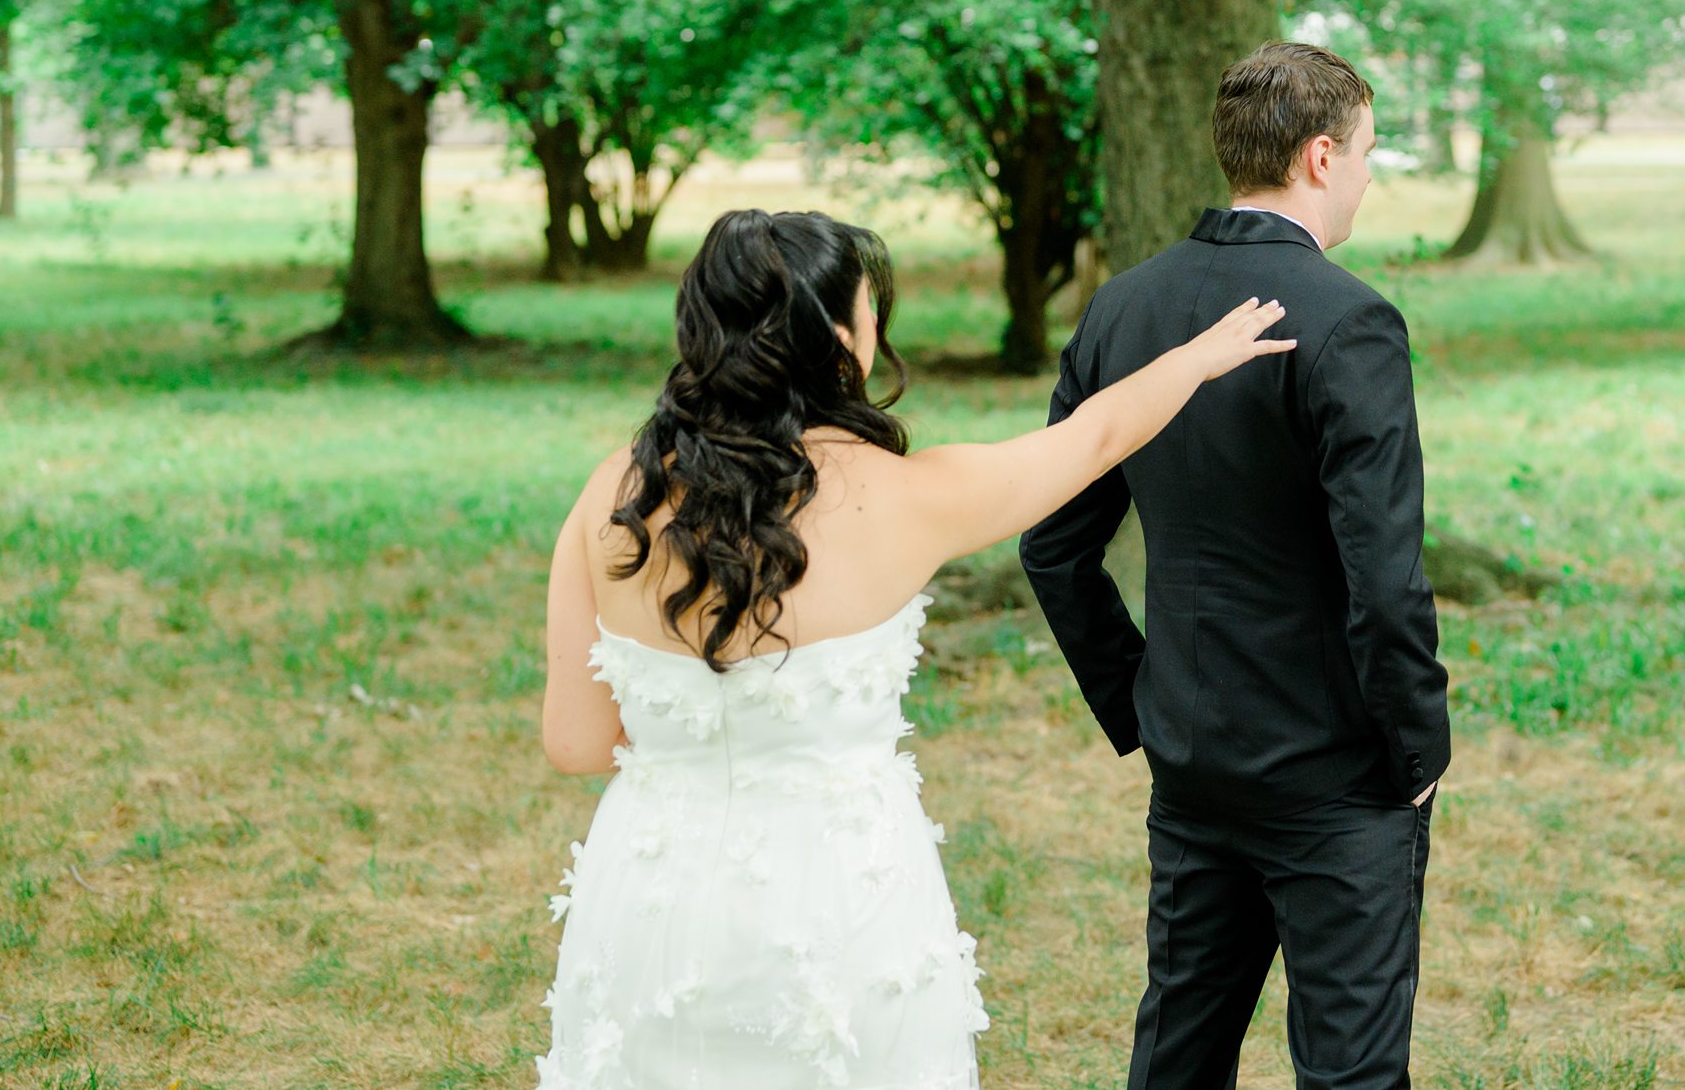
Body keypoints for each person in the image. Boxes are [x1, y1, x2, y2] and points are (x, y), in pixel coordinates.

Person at [535, 206, 1297, 1089]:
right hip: (842, 898)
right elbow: (1091, 438)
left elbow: (576, 743)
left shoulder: (609, 499)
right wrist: (1197, 357)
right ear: (839, 340)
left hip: (652, 904)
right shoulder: (903, 498)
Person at [1021, 41, 1451, 1090]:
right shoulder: (1348, 319)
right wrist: (1416, 744)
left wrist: (1139, 698)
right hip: (1332, 768)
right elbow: (1382, 574)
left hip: (1191, 749)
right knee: (1349, 1072)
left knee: (1177, 1054)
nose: (1363, 176)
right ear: (1317, 157)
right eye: (1363, 153)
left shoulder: (1126, 306)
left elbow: (1052, 538)